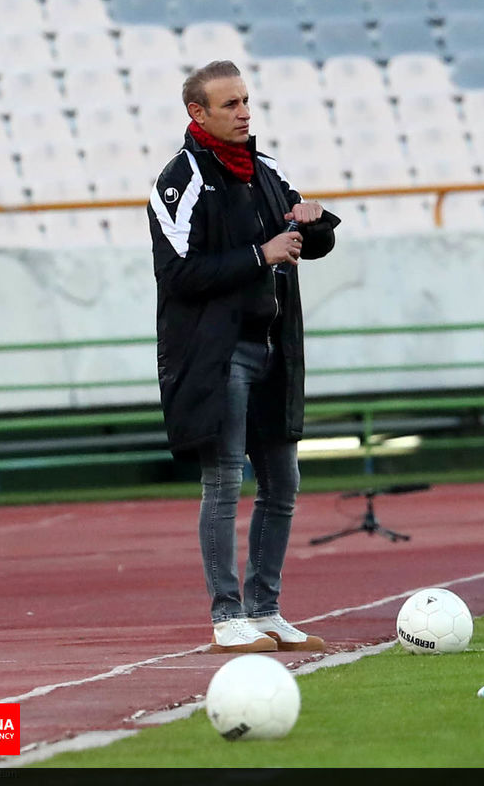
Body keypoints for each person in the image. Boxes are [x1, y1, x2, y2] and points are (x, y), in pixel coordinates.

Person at [147, 60, 340, 654]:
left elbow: (306, 244)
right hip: (216, 352)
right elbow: (176, 272)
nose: (244, 113)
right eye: (230, 105)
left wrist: (315, 222)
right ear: (197, 113)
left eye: (246, 101)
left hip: (273, 347)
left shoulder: (266, 169)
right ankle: (227, 615)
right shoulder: (178, 181)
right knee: (225, 479)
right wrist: (261, 255)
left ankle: (266, 609)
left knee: (283, 481)